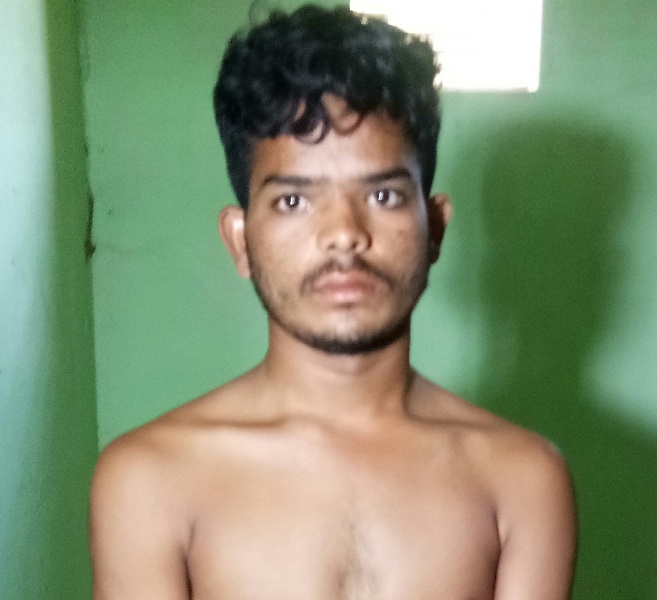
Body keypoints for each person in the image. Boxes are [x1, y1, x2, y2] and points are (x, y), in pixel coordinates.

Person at [89, 5, 576, 599]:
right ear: (240, 240)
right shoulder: (150, 480)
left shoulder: (522, 479)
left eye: (383, 195)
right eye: (294, 201)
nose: (344, 234)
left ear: (435, 228)